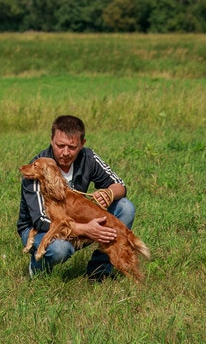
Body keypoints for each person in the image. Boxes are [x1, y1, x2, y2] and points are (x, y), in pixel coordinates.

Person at [16, 114, 136, 281]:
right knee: (59, 249)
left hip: (76, 222)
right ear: (51, 140)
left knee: (125, 207)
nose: (65, 153)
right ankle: (38, 272)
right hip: (39, 229)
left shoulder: (88, 158)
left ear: (82, 144)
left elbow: (119, 185)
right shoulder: (37, 169)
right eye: (60, 145)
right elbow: (40, 220)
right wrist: (87, 229)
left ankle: (99, 271)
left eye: (72, 147)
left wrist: (110, 193)